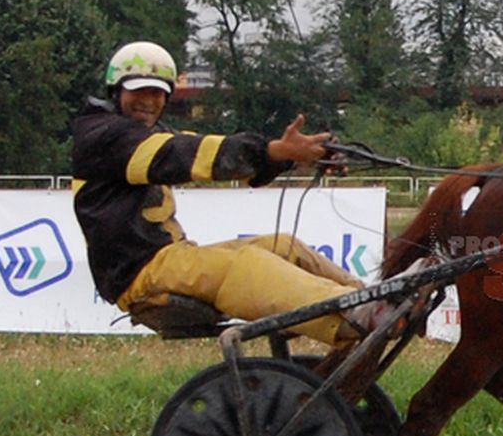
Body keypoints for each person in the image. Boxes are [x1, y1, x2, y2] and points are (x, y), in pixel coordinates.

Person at [72, 41, 388, 344]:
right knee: (245, 265)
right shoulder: (104, 135)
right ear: (117, 90)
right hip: (142, 273)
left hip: (170, 260)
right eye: (139, 90)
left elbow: (206, 148)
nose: (149, 100)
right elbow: (186, 154)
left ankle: (373, 299)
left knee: (283, 246)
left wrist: (293, 156)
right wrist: (275, 150)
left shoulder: (146, 134)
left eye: (158, 92)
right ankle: (352, 312)